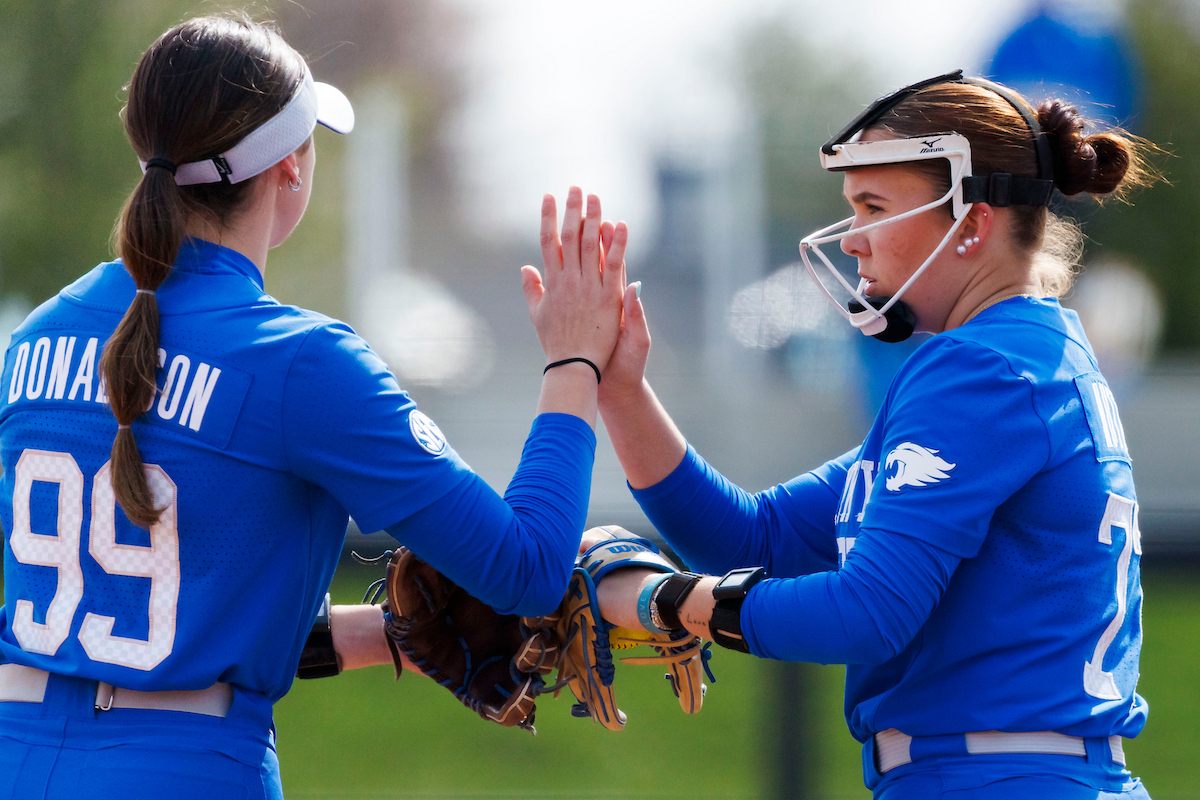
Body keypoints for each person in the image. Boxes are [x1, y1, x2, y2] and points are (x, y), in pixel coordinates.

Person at [0, 15, 625, 799]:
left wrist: (392, 635)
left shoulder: (37, 334)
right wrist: (574, 361)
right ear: (290, 168)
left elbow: (142, 615)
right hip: (188, 771)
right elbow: (529, 571)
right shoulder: (302, 363)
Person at [590, 71, 1157, 799]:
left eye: (873, 205)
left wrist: (662, 601)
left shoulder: (979, 368)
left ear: (974, 220)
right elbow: (753, 538)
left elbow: (867, 612)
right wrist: (623, 391)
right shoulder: (1021, 355)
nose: (852, 239)